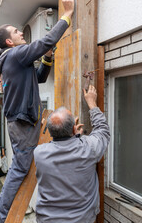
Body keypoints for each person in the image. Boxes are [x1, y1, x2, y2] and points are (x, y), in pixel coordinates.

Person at [0, 0, 74, 223]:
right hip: (23, 123)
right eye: (16, 32)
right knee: (20, 170)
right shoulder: (16, 55)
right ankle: (0, 216)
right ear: (9, 41)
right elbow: (45, 42)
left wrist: (47, 58)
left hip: (22, 121)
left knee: (20, 167)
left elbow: (38, 78)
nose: (20, 33)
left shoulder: (15, 60)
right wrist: (66, 15)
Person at [34, 85, 110, 223]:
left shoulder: (39, 153)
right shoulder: (88, 149)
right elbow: (103, 131)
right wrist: (92, 103)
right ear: (74, 129)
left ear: (51, 132)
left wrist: (74, 137)